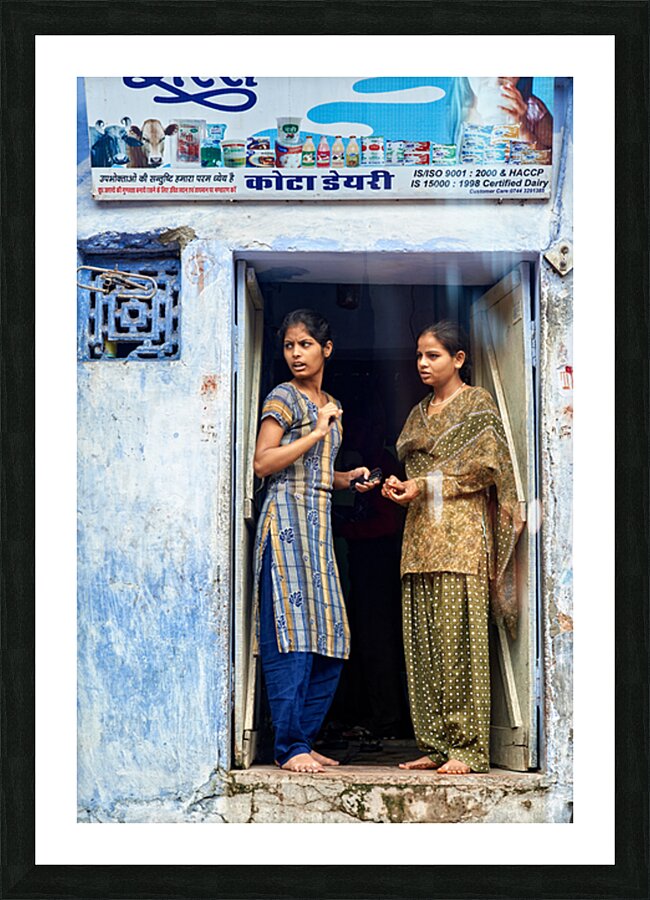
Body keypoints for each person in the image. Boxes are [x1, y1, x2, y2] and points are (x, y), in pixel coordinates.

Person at [382, 321, 523, 774]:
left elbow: (485, 470)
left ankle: (467, 747)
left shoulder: (476, 404)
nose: (422, 364)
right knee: (422, 642)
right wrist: (401, 487)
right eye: (419, 355)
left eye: (433, 355)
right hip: (420, 538)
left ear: (457, 359)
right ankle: (436, 743)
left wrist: (422, 484)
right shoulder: (419, 413)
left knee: (458, 639)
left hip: (460, 538)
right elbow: (418, 472)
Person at [252, 309, 377, 774]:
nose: (295, 354)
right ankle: (288, 746)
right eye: (288, 345)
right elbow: (263, 463)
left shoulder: (330, 402)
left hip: (318, 531)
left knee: (330, 638)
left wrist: (349, 478)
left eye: (304, 344)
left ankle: (302, 738)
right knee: (291, 635)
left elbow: (319, 472)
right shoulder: (283, 398)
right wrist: (319, 432)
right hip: (285, 527)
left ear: (326, 349)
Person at [449, 76, 553, 151]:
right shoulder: (460, 112)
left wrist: (523, 131)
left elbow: (553, 161)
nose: (495, 82)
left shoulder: (533, 109)